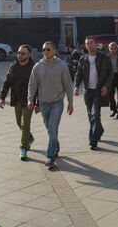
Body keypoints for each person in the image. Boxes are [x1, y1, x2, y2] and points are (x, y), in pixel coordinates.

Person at [27, 41, 74, 169]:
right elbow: (32, 85)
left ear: (54, 51)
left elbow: (68, 85)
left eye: (48, 49)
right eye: (43, 49)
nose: (45, 51)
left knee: (53, 129)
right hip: (43, 103)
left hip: (57, 103)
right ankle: (56, 146)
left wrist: (70, 102)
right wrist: (30, 100)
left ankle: (50, 157)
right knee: (50, 130)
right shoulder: (37, 66)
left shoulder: (62, 66)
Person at [74, 36, 113, 150]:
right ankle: (99, 130)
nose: (89, 45)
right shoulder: (83, 59)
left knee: (95, 114)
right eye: (87, 43)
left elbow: (110, 74)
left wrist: (106, 86)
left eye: (91, 43)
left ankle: (93, 140)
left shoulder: (104, 58)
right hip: (87, 91)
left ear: (96, 44)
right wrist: (76, 86)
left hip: (98, 90)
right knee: (91, 115)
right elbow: (78, 74)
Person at [0, 44, 36, 161]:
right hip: (17, 99)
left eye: (23, 53)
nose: (20, 55)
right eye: (18, 53)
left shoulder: (34, 67)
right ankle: (29, 137)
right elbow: (7, 82)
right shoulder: (14, 66)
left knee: (25, 125)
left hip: (29, 100)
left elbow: (39, 86)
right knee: (19, 123)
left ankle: (23, 148)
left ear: (29, 55)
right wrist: (2, 97)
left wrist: (38, 103)